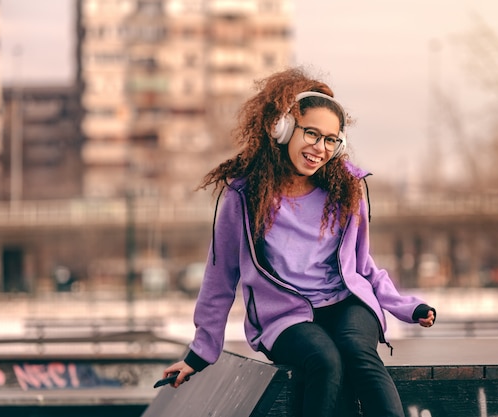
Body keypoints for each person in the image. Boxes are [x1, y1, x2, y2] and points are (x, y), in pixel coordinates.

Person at [162, 67, 436, 417]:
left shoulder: (346, 192)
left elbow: (362, 266)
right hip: (285, 317)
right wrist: (200, 352)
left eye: (330, 140)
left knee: (357, 351)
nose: (319, 148)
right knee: (325, 360)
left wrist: (405, 307)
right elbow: (221, 277)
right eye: (311, 133)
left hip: (346, 303)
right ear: (283, 129)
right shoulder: (244, 197)